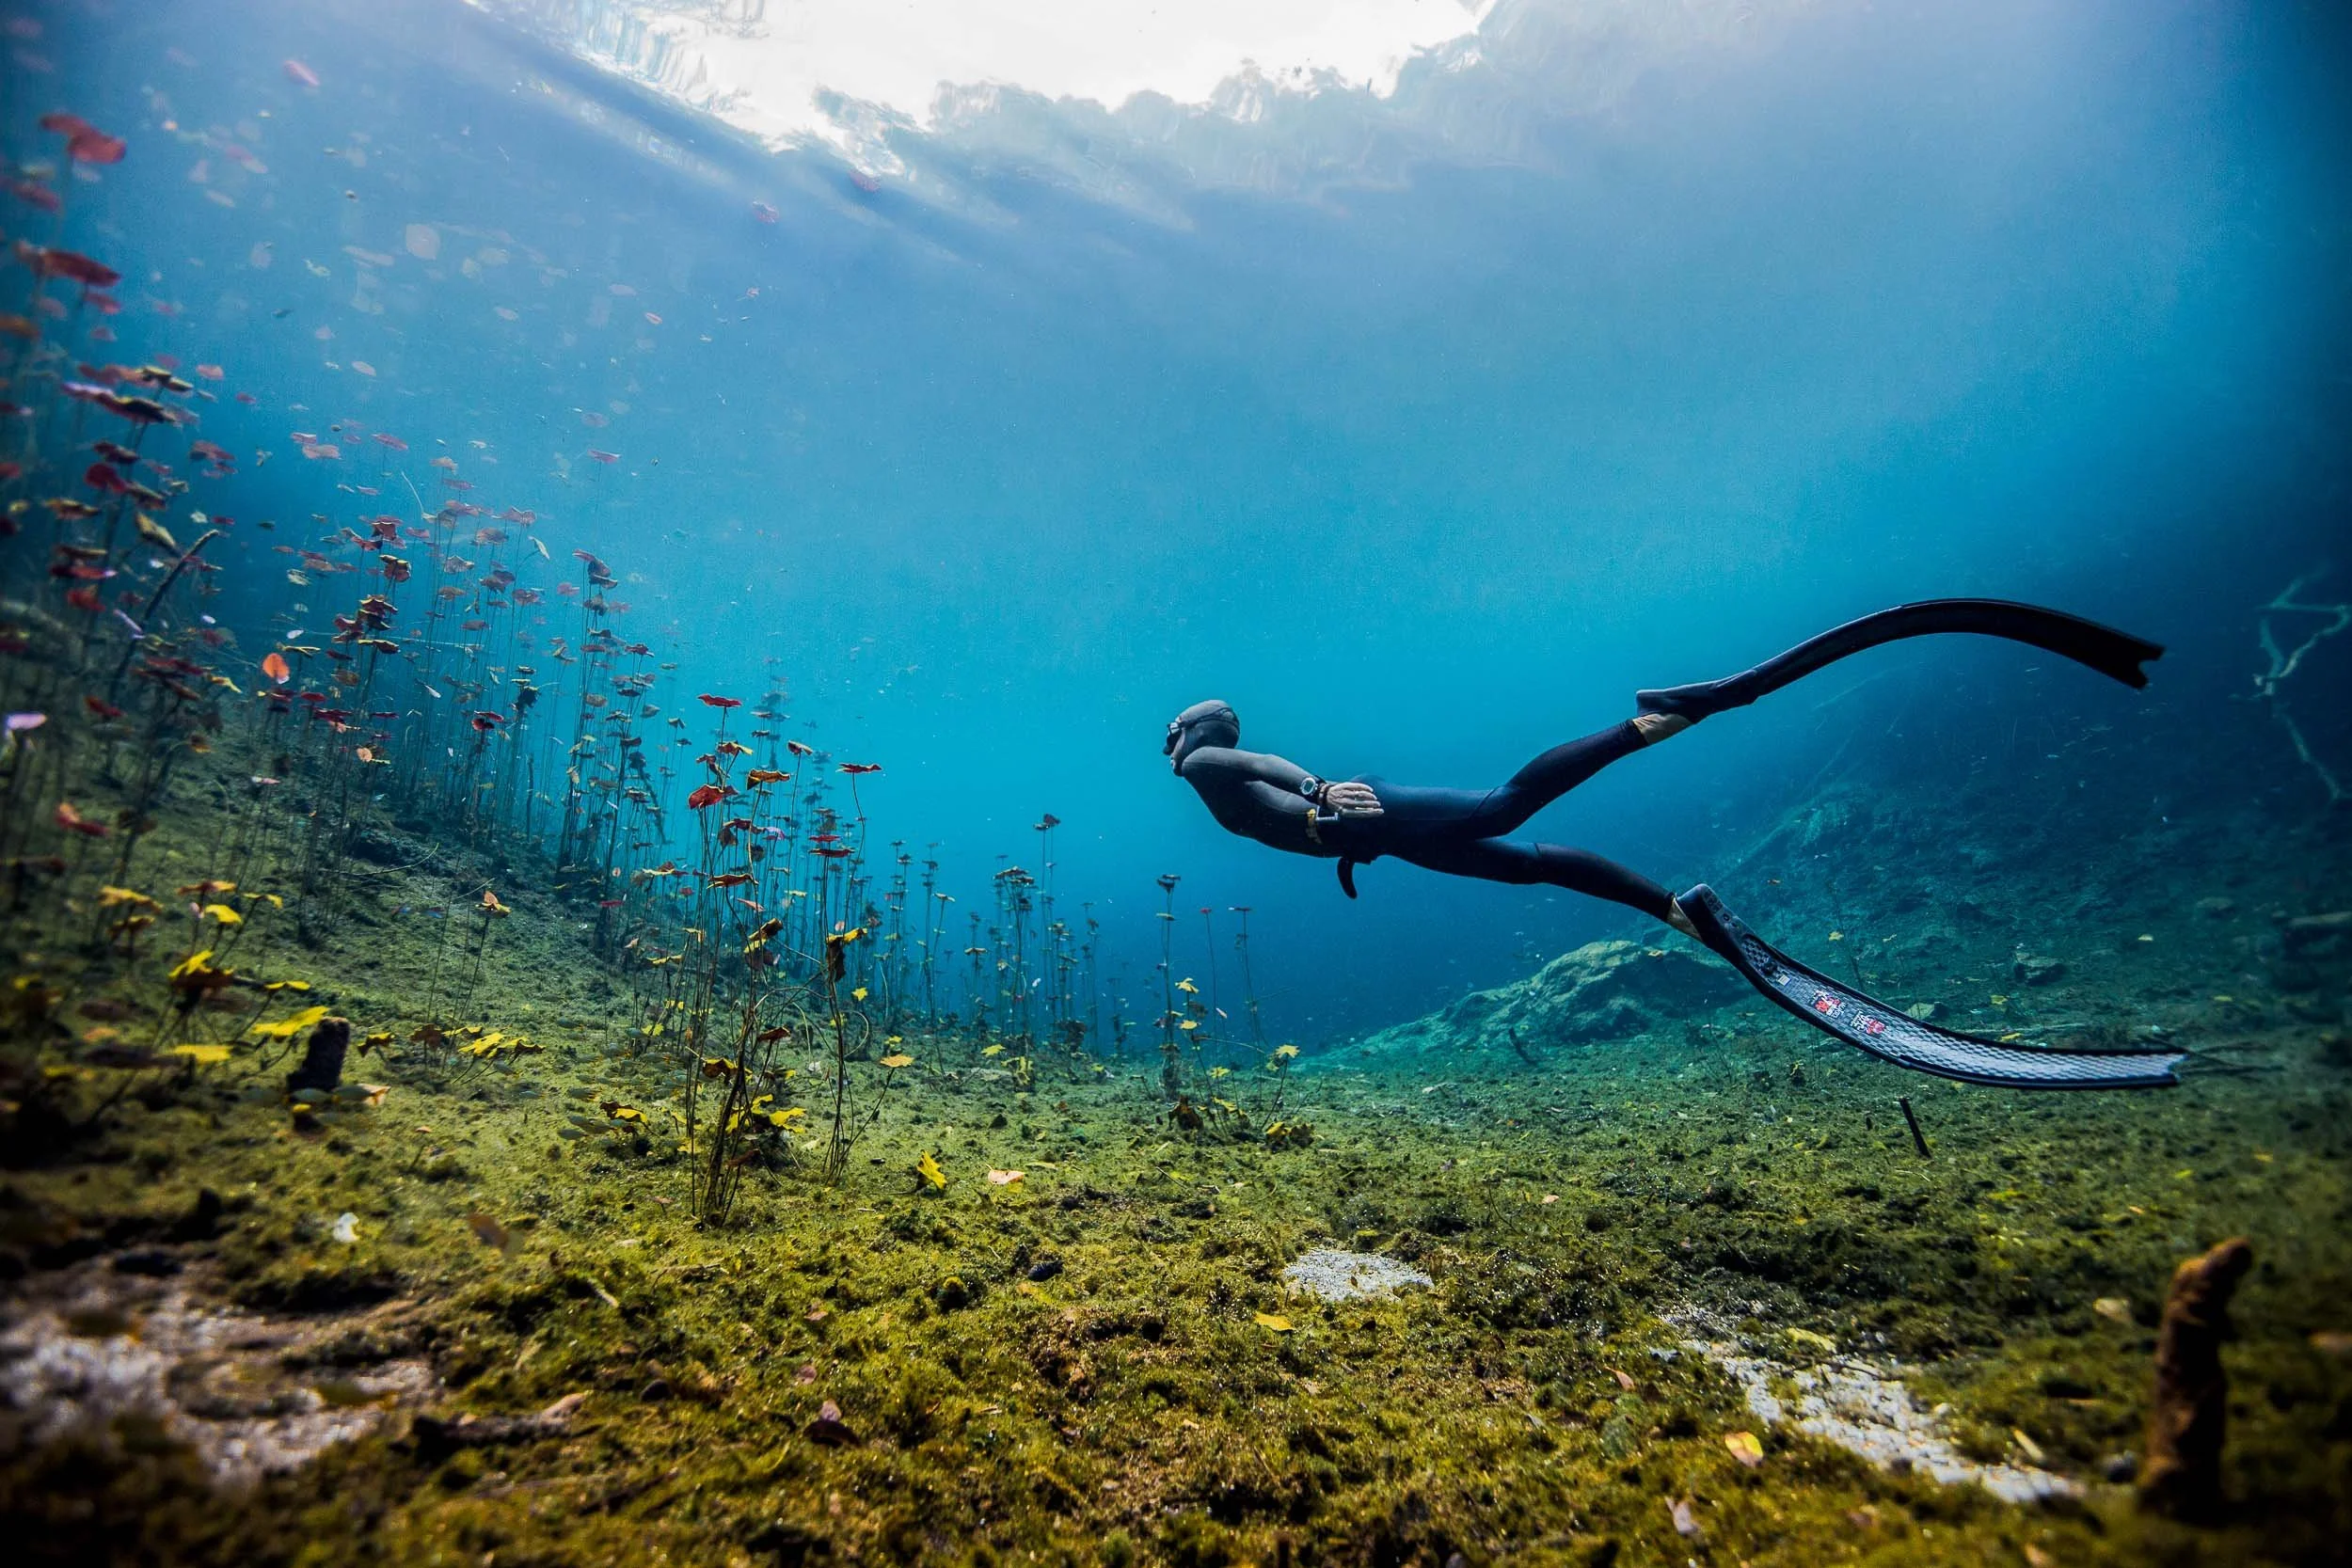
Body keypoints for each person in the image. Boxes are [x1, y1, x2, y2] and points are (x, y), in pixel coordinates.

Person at [1166, 598, 2191, 1090]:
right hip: (1366, 832)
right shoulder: (1236, 759)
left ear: (1194, 735)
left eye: (1181, 732)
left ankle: (1658, 717)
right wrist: (1322, 814)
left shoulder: (1209, 768)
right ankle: (1673, 908)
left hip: (1366, 820)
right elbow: (1286, 771)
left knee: (1506, 810)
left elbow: (1259, 774)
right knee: (1525, 861)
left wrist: (1318, 814)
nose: (1177, 746)